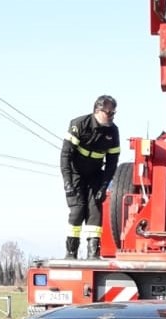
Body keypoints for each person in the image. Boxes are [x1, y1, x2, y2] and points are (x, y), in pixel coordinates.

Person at [61, 94, 120, 260]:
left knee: (95, 211)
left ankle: (93, 253)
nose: (111, 117)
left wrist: (104, 185)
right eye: (109, 113)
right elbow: (65, 155)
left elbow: (112, 162)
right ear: (97, 110)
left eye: (114, 113)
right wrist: (67, 182)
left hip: (96, 174)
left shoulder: (113, 131)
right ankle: (71, 252)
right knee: (78, 210)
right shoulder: (79, 124)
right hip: (76, 173)